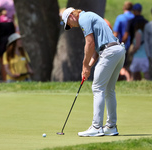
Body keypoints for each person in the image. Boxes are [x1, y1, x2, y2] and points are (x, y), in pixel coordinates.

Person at [62, 7, 126, 136]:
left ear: (71, 16)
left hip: (109, 52)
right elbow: (97, 49)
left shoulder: (84, 19)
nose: (72, 26)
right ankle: (111, 127)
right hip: (118, 51)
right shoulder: (90, 16)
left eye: (69, 24)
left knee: (97, 88)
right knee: (109, 90)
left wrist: (84, 65)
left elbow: (90, 44)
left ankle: (96, 127)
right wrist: (89, 67)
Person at [0, 0, 16, 81]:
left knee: (2, 63)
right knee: (11, 60)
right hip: (11, 42)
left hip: (1, 43)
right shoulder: (11, 21)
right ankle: (12, 78)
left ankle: (5, 80)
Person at [113, 1, 134, 81]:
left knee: (122, 66)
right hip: (133, 45)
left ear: (124, 7)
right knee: (129, 66)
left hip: (122, 44)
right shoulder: (134, 17)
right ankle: (131, 81)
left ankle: (127, 81)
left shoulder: (120, 18)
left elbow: (116, 33)